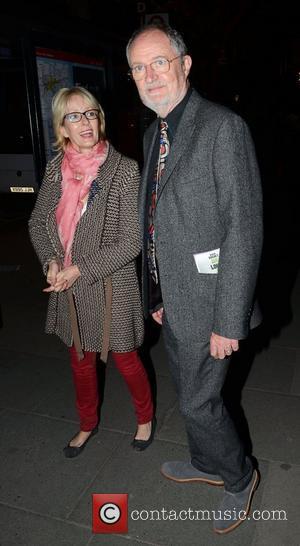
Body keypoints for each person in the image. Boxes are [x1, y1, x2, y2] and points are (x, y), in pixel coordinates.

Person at [126, 23, 263, 534]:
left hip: (214, 303)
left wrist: (229, 320)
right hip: (176, 299)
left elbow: (243, 228)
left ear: (185, 64)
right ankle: (206, 463)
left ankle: (237, 476)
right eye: (138, 67)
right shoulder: (154, 132)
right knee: (188, 391)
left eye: (159, 61)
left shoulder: (221, 127)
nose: (149, 75)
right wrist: (156, 292)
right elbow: (158, 221)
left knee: (199, 403)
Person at [29, 86, 156, 458]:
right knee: (80, 362)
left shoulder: (124, 171)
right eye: (74, 116)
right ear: (62, 128)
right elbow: (39, 222)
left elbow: (131, 241)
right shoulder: (57, 170)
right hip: (69, 286)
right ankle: (87, 424)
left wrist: (78, 269)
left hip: (111, 285)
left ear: (100, 119)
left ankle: (145, 418)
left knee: (126, 359)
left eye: (90, 113)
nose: (85, 122)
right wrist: (51, 260)